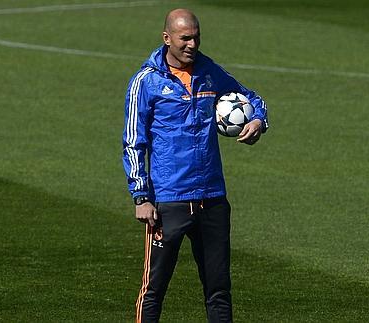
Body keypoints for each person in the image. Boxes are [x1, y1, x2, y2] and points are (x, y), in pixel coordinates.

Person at [122, 8, 268, 323]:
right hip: (169, 200)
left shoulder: (209, 72)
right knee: (154, 289)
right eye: (184, 38)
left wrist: (258, 119)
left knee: (218, 290)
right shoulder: (145, 83)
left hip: (212, 198)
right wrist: (141, 196)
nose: (192, 44)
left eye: (196, 37)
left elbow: (251, 96)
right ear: (167, 38)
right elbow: (134, 142)